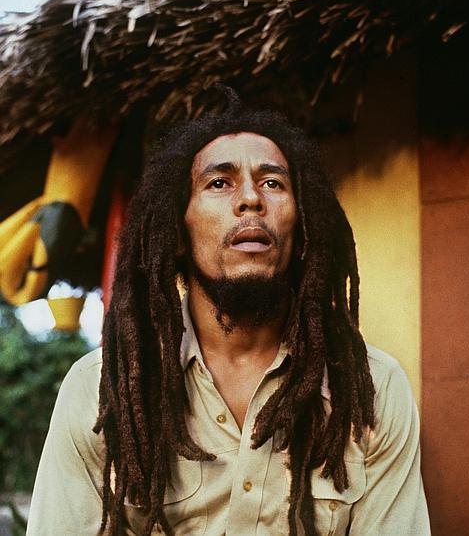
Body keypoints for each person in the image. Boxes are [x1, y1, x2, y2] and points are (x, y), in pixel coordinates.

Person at [27, 91, 430, 536]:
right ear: (177, 233)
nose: (251, 199)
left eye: (273, 183)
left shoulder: (373, 389)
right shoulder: (98, 390)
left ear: (303, 229)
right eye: (219, 182)